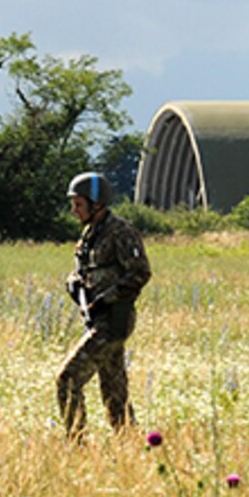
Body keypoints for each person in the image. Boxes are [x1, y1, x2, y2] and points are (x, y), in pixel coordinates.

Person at [59, 171, 151, 439]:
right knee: (113, 389)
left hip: (113, 319)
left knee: (68, 379)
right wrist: (74, 284)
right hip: (98, 319)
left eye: (79, 204)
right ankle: (129, 441)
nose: (74, 210)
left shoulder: (120, 231)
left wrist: (105, 299)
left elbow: (140, 273)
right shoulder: (90, 234)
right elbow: (83, 271)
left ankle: (76, 443)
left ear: (96, 204)